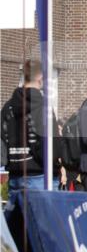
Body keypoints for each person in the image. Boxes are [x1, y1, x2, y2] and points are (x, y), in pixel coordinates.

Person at [2, 59, 63, 215]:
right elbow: (50, 144)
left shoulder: (8, 106)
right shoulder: (42, 106)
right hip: (39, 175)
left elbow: (2, 140)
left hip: (15, 174)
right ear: (41, 77)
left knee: (17, 230)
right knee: (44, 231)